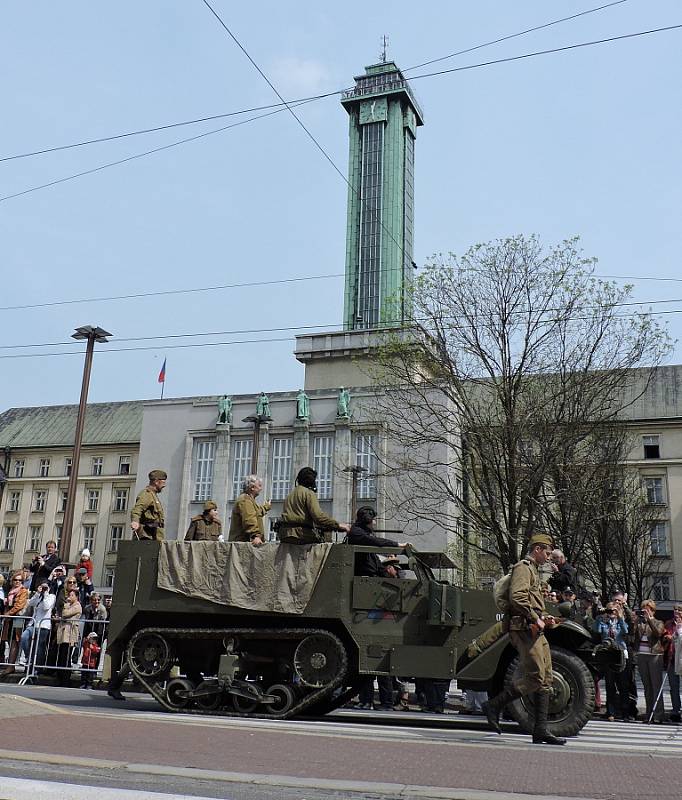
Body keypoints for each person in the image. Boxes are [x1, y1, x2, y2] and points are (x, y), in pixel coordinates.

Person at [484, 532, 566, 745]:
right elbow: (517, 596)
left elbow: (530, 600)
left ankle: (540, 730)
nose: (549, 557)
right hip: (524, 630)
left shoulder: (534, 571)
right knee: (536, 677)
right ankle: (494, 705)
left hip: (535, 629)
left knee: (546, 679)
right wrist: (534, 617)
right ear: (537, 549)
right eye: (547, 553)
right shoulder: (523, 567)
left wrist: (543, 617)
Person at [278, 467, 350, 544]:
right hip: (300, 534)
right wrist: (338, 526)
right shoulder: (309, 493)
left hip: (284, 534)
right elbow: (318, 517)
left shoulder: (290, 495)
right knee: (325, 548)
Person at [347, 507, 408, 577]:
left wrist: (388, 555)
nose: (375, 523)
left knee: (400, 573)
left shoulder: (362, 532)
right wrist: (398, 545)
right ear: (368, 521)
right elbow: (376, 541)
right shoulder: (357, 533)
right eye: (373, 520)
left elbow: (375, 548)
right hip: (367, 573)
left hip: (372, 570)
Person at [596, 602, 630, 721]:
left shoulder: (621, 622)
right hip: (608, 654)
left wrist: (620, 617)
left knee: (623, 684)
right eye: (609, 610)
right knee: (610, 684)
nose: (611, 613)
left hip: (620, 653)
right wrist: (600, 618)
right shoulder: (604, 622)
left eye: (614, 611)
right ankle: (611, 711)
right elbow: (598, 631)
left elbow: (625, 631)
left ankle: (625, 711)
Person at [634, 598, 666, 723]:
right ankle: (649, 714)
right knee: (647, 686)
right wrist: (635, 622)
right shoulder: (640, 623)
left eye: (647, 610)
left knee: (656, 685)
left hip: (655, 656)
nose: (645, 612)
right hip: (642, 655)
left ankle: (658, 715)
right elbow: (632, 635)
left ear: (652, 610)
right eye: (643, 610)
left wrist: (650, 620)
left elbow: (658, 633)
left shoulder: (658, 622)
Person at [20, 582, 56, 672]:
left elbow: (46, 607)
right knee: (24, 637)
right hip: (33, 624)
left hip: (43, 625)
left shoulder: (51, 596)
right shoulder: (38, 596)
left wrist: (46, 594)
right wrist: (37, 593)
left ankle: (37, 668)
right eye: (42, 586)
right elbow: (31, 603)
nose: (43, 588)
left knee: (39, 647)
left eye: (45, 587)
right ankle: (30, 658)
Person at [0, 573, 29, 677]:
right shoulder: (11, 592)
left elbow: (19, 605)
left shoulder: (23, 591)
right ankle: (9, 663)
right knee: (7, 640)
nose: (17, 582)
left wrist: (7, 614)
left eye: (20, 580)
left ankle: (11, 665)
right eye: (15, 580)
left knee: (14, 642)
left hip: (17, 619)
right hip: (9, 619)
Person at [228, 475, 271, 545]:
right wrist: (256, 536)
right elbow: (249, 519)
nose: (261, 489)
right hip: (242, 544)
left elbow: (256, 513)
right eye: (259, 486)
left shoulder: (249, 500)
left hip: (244, 544)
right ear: (252, 487)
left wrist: (266, 507)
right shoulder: (245, 500)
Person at [131, 469, 167, 541]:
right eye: (163, 482)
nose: (164, 485)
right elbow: (137, 509)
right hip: (146, 536)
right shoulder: (146, 494)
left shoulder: (153, 495)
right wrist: (135, 521)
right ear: (156, 482)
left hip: (155, 536)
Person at [55, 589, 82, 686]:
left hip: (70, 634)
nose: (69, 597)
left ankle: (65, 679)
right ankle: (60, 677)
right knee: (62, 655)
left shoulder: (77, 606)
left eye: (71, 595)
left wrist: (66, 605)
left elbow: (65, 614)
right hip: (64, 633)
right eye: (68, 595)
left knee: (66, 656)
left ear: (76, 597)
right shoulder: (70, 606)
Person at [663, 603, 682, 723]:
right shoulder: (669, 623)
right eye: (675, 610)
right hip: (672, 657)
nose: (677, 612)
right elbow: (664, 635)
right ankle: (676, 710)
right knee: (674, 687)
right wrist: (667, 637)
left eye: (679, 610)